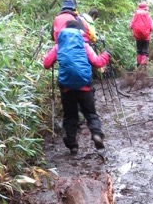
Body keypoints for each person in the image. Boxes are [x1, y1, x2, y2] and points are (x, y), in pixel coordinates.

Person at [43, 19, 110, 154]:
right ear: (80, 32)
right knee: (90, 114)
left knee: (70, 116)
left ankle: (73, 144)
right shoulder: (84, 45)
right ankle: (96, 134)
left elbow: (46, 64)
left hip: (67, 88)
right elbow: (97, 62)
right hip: (84, 86)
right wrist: (106, 54)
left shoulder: (59, 46)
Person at [130, 1, 153, 67]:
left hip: (137, 36)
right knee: (145, 51)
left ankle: (138, 66)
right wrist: (148, 31)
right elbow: (152, 27)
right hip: (146, 37)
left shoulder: (135, 15)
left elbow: (131, 26)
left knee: (139, 51)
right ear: (146, 8)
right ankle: (143, 67)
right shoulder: (148, 16)